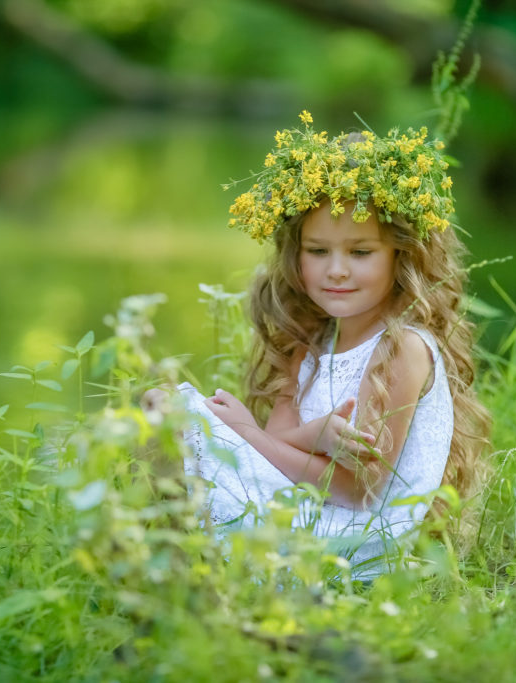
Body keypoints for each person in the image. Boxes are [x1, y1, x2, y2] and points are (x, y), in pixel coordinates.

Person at [158, 111, 491, 579]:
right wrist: (312, 436)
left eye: (360, 252)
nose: (336, 270)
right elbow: (277, 447)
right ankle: (169, 571)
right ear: (296, 254)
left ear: (402, 254)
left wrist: (246, 433)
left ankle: (176, 572)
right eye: (318, 251)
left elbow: (360, 489)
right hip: (304, 508)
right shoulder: (311, 343)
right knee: (163, 409)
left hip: (354, 541)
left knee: (171, 420)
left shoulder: (403, 348)